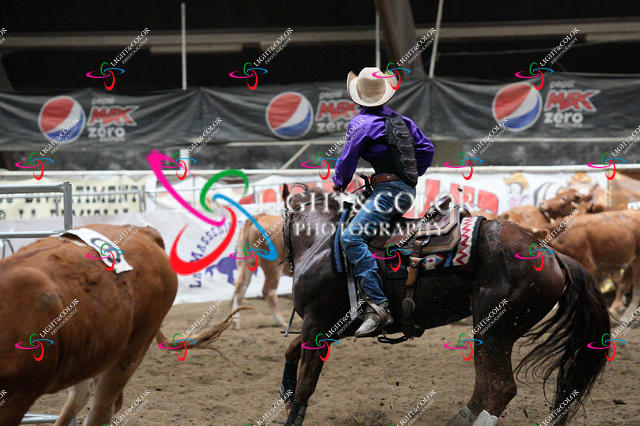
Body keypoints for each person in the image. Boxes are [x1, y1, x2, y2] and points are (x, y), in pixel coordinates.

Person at [333, 66, 435, 337]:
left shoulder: (361, 123)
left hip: (387, 193)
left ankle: (378, 305)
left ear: (358, 96)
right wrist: (410, 173)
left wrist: (339, 182)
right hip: (405, 192)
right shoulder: (404, 121)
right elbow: (427, 149)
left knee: (351, 238)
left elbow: (347, 159)